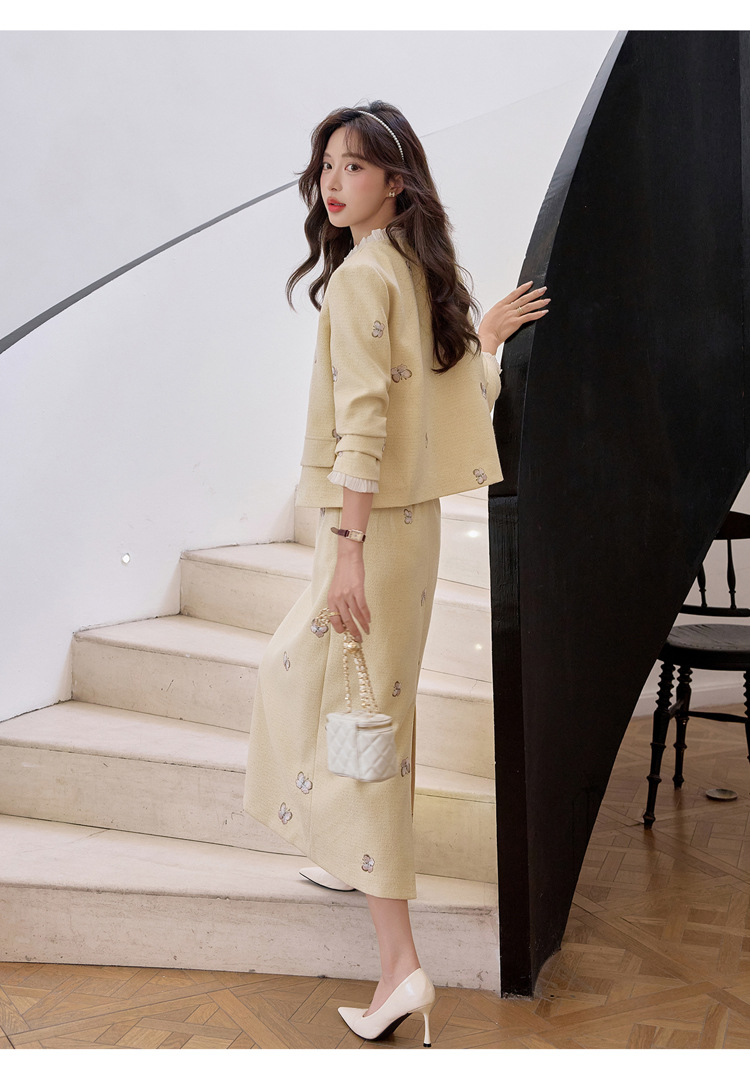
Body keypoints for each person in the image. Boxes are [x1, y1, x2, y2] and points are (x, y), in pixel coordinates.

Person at [243, 100, 549, 1046]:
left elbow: (366, 421)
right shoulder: (414, 271)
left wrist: (347, 549)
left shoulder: (361, 279)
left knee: (353, 716)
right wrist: (487, 339)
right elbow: (455, 391)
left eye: (355, 167)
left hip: (372, 536)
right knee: (366, 711)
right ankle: (352, 851)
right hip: (406, 534)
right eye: (327, 166)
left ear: (395, 181)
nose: (334, 183)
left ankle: (399, 967)